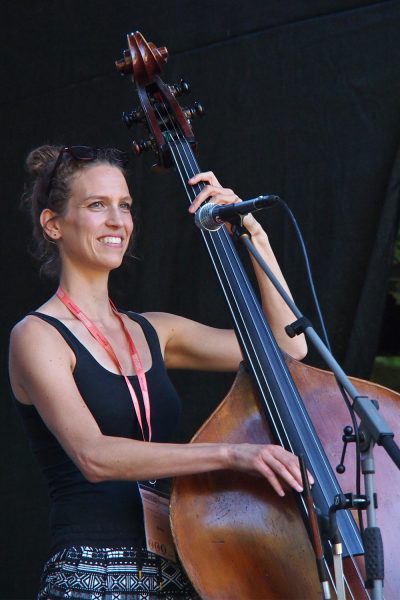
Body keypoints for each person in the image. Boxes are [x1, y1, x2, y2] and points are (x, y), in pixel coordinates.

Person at [9, 145, 310, 600]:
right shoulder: (37, 335)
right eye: (97, 205)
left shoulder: (156, 331)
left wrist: (252, 236)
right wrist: (234, 455)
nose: (117, 221)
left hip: (178, 573)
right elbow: (95, 456)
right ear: (53, 224)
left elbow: (289, 346)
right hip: (92, 577)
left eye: (125, 206)